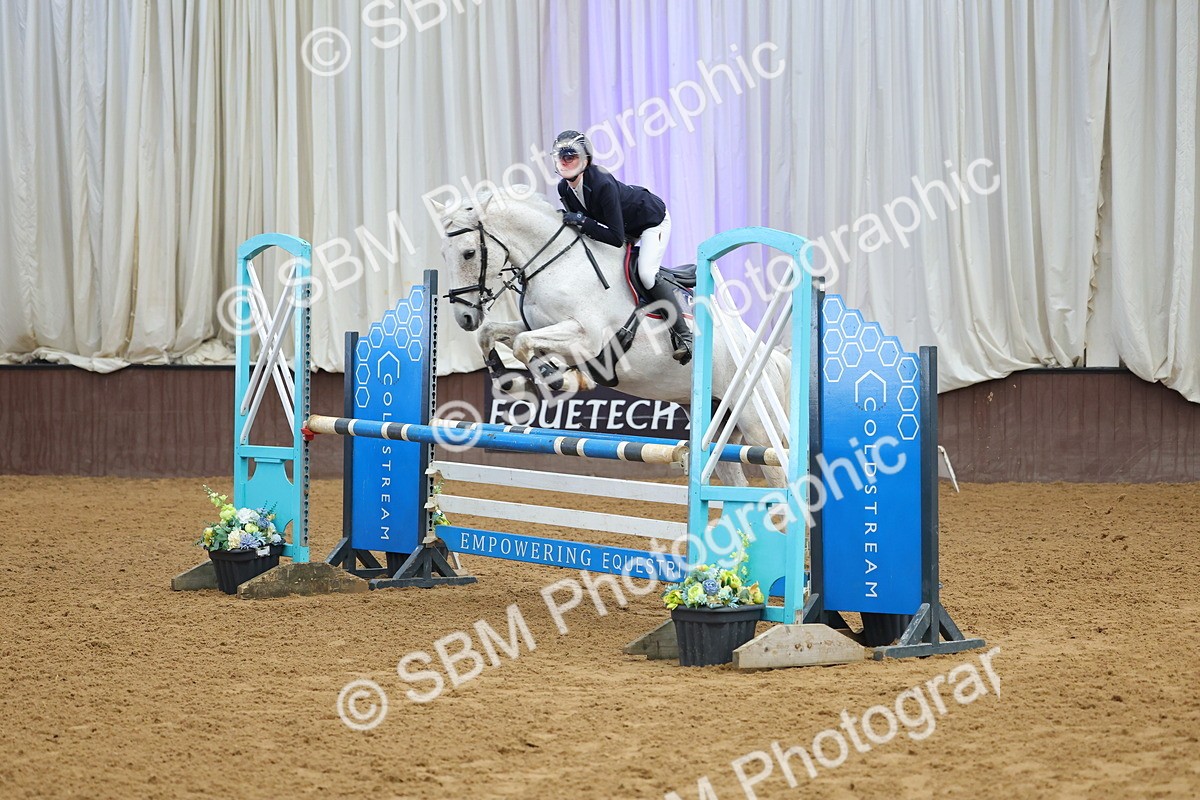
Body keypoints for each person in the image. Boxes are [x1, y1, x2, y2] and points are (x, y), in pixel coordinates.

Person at [550, 130, 692, 364]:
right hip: (621, 225)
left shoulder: (602, 183)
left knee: (646, 275)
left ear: (585, 159)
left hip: (649, 220)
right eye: (560, 157)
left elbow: (616, 238)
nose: (564, 162)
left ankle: (684, 335)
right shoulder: (564, 188)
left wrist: (583, 222)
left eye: (570, 156)